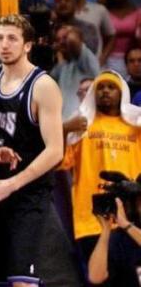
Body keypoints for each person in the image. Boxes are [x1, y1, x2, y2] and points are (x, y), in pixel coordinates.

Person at [0, 14, 65, 286]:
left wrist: (13, 184)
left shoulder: (43, 86)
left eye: (12, 38)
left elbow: (55, 151)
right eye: (0, 38)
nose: (5, 44)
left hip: (29, 193)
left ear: (27, 45)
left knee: (23, 281)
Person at [61, 71, 141, 262]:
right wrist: (65, 130)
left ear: (122, 93)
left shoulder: (136, 126)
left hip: (131, 216)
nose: (105, 91)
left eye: (111, 87)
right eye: (101, 87)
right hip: (92, 217)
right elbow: (60, 162)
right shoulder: (82, 125)